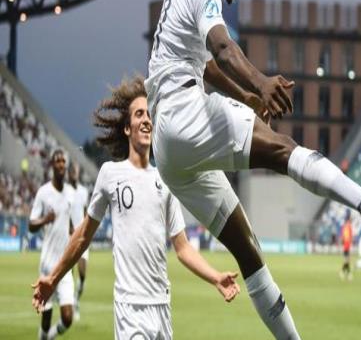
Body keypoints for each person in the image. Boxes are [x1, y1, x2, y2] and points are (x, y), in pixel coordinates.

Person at [145, 0, 361, 339]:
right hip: (184, 114)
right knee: (283, 149)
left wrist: (247, 96)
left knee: (249, 252)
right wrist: (261, 82)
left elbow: (204, 65)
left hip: (169, 150)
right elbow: (222, 48)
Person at [32, 77, 240, 339]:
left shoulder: (166, 179)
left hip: (162, 306)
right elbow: (84, 235)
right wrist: (53, 278)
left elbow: (183, 248)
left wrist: (215, 277)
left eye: (149, 114)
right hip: (130, 308)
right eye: (139, 114)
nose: (146, 120)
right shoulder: (110, 174)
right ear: (127, 129)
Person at [29, 150, 76, 340]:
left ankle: (50, 337)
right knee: (46, 319)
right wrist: (45, 220)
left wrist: (72, 229)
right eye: (58, 161)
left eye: (63, 161)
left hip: (64, 266)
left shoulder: (71, 193)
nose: (61, 164)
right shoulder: (43, 192)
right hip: (47, 265)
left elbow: (69, 219)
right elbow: (31, 224)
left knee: (68, 318)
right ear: (52, 165)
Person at [67, 162, 90, 321]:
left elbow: (86, 212)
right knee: (69, 274)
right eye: (72, 171)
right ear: (69, 174)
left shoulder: (83, 191)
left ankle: (76, 300)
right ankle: (70, 303)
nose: (74, 173)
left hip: (82, 237)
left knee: (82, 275)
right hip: (69, 237)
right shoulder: (65, 191)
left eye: (76, 171)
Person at [339, 211, 353, 281]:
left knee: (347, 260)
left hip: (347, 245)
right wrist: (347, 243)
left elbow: (344, 237)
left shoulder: (346, 226)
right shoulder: (348, 226)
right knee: (347, 260)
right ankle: (343, 272)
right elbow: (346, 237)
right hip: (346, 246)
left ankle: (347, 273)